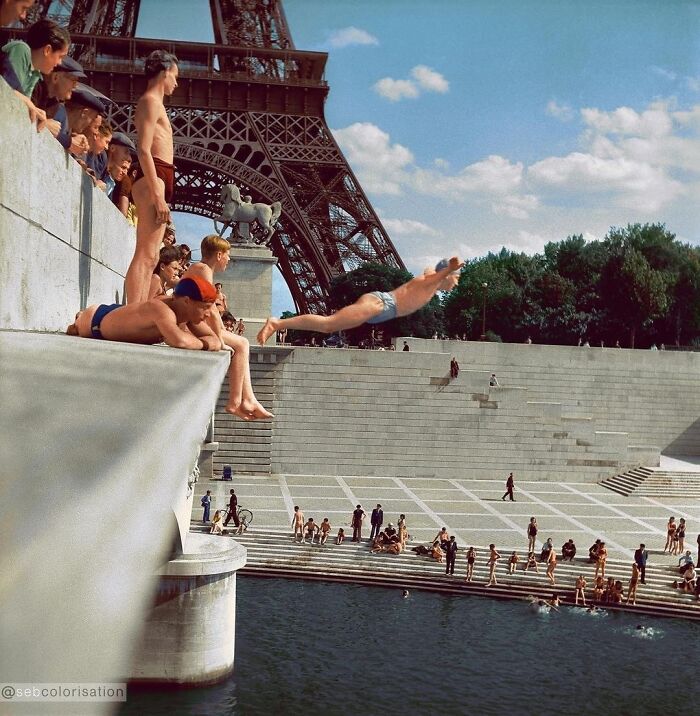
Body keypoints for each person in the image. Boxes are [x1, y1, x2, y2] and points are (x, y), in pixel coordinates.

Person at [65, 277, 262, 418]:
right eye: (205, 307)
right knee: (78, 326)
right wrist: (206, 343)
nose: (210, 313)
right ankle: (78, 320)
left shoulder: (186, 311)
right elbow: (180, 342)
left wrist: (209, 341)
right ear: (187, 301)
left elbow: (214, 340)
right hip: (95, 322)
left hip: (117, 316)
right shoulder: (163, 309)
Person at [256, 258, 463, 345]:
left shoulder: (430, 282)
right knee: (329, 324)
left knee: (329, 325)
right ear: (446, 275)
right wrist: (450, 266)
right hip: (379, 305)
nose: (457, 282)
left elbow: (431, 271)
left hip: (381, 308)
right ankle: (278, 323)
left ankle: (279, 324)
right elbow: (435, 274)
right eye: (457, 277)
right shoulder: (430, 282)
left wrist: (447, 269)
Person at [183, 235, 272, 420]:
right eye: (228, 255)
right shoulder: (203, 269)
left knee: (242, 343)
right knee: (242, 344)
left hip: (192, 322)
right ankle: (237, 400)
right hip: (190, 325)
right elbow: (212, 310)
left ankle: (246, 399)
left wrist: (220, 332)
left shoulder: (200, 268)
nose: (229, 259)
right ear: (218, 255)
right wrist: (219, 337)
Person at [125, 49, 179, 304]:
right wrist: (158, 195)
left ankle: (138, 309)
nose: (176, 83)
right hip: (153, 174)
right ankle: (132, 312)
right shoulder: (150, 101)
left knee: (153, 256)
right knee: (146, 253)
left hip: (159, 174)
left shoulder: (155, 104)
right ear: (165, 72)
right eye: (175, 76)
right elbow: (143, 149)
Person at [1, 18, 69, 128]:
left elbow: (23, 102)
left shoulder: (36, 73)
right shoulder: (20, 49)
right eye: (60, 56)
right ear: (47, 50)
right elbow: (7, 90)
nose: (59, 63)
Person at [30, 55, 87, 153]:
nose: (75, 86)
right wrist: (44, 124)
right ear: (55, 77)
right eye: (73, 80)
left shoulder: (54, 103)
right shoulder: (35, 86)